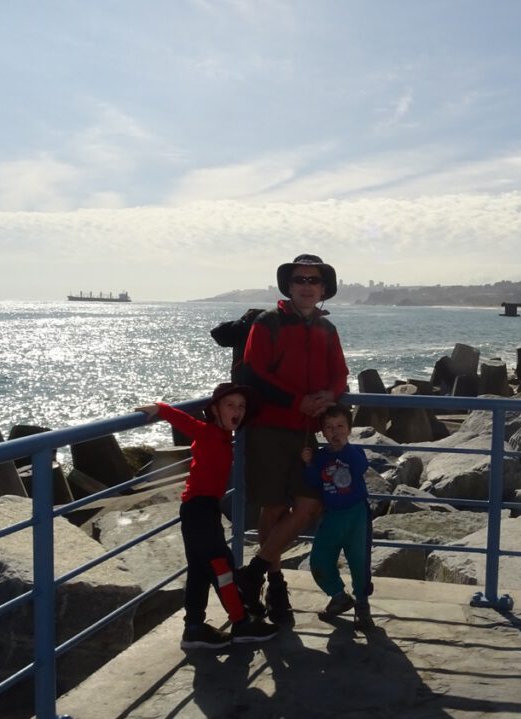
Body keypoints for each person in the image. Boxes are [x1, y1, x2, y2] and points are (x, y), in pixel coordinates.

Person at [236, 254, 349, 626]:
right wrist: (298, 401)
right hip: (269, 428)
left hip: (304, 431)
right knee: (272, 509)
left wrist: (328, 397)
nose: (306, 285)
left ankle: (252, 571)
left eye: (313, 280)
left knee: (309, 504)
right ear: (289, 285)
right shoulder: (268, 323)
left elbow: (341, 375)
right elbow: (254, 374)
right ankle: (276, 584)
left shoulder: (327, 330)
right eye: (300, 279)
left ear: (322, 289)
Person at [136, 384, 278, 650]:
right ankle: (241, 622)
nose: (237, 410)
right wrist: (162, 409)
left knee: (200, 571)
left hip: (201, 509)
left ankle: (194, 628)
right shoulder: (208, 432)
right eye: (229, 405)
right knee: (221, 565)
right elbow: (187, 423)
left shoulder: (225, 436)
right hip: (198, 510)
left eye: (241, 406)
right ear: (214, 409)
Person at [302, 404, 375, 631]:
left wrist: (345, 448)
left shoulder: (355, 452)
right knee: (319, 561)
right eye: (329, 427)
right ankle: (338, 595)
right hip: (331, 516)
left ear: (349, 430)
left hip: (356, 516)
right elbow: (315, 482)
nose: (335, 432)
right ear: (322, 432)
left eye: (340, 426)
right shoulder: (321, 457)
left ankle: (362, 604)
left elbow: (360, 467)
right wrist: (308, 463)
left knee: (359, 562)